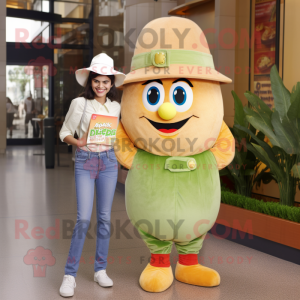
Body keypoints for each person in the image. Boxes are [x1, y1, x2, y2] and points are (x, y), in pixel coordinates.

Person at [58, 53, 125, 297]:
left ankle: (100, 270)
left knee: (105, 219)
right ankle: (69, 275)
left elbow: (117, 134)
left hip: (108, 161)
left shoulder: (116, 106)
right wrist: (78, 141)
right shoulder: (80, 103)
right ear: (90, 81)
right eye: (97, 81)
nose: (101, 85)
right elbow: (64, 132)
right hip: (86, 161)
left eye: (106, 81)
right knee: (83, 219)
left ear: (112, 83)